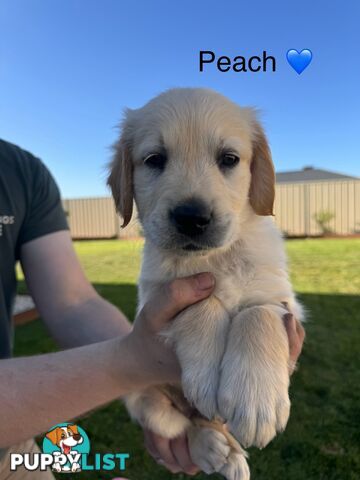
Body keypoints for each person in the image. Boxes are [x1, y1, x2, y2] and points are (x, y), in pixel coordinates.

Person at [0, 139, 305, 478]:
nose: (193, 198)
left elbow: (74, 303)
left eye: (228, 159)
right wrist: (133, 364)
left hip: (13, 450)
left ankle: (200, 428)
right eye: (156, 159)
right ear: (125, 181)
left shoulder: (20, 170)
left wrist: (153, 384)